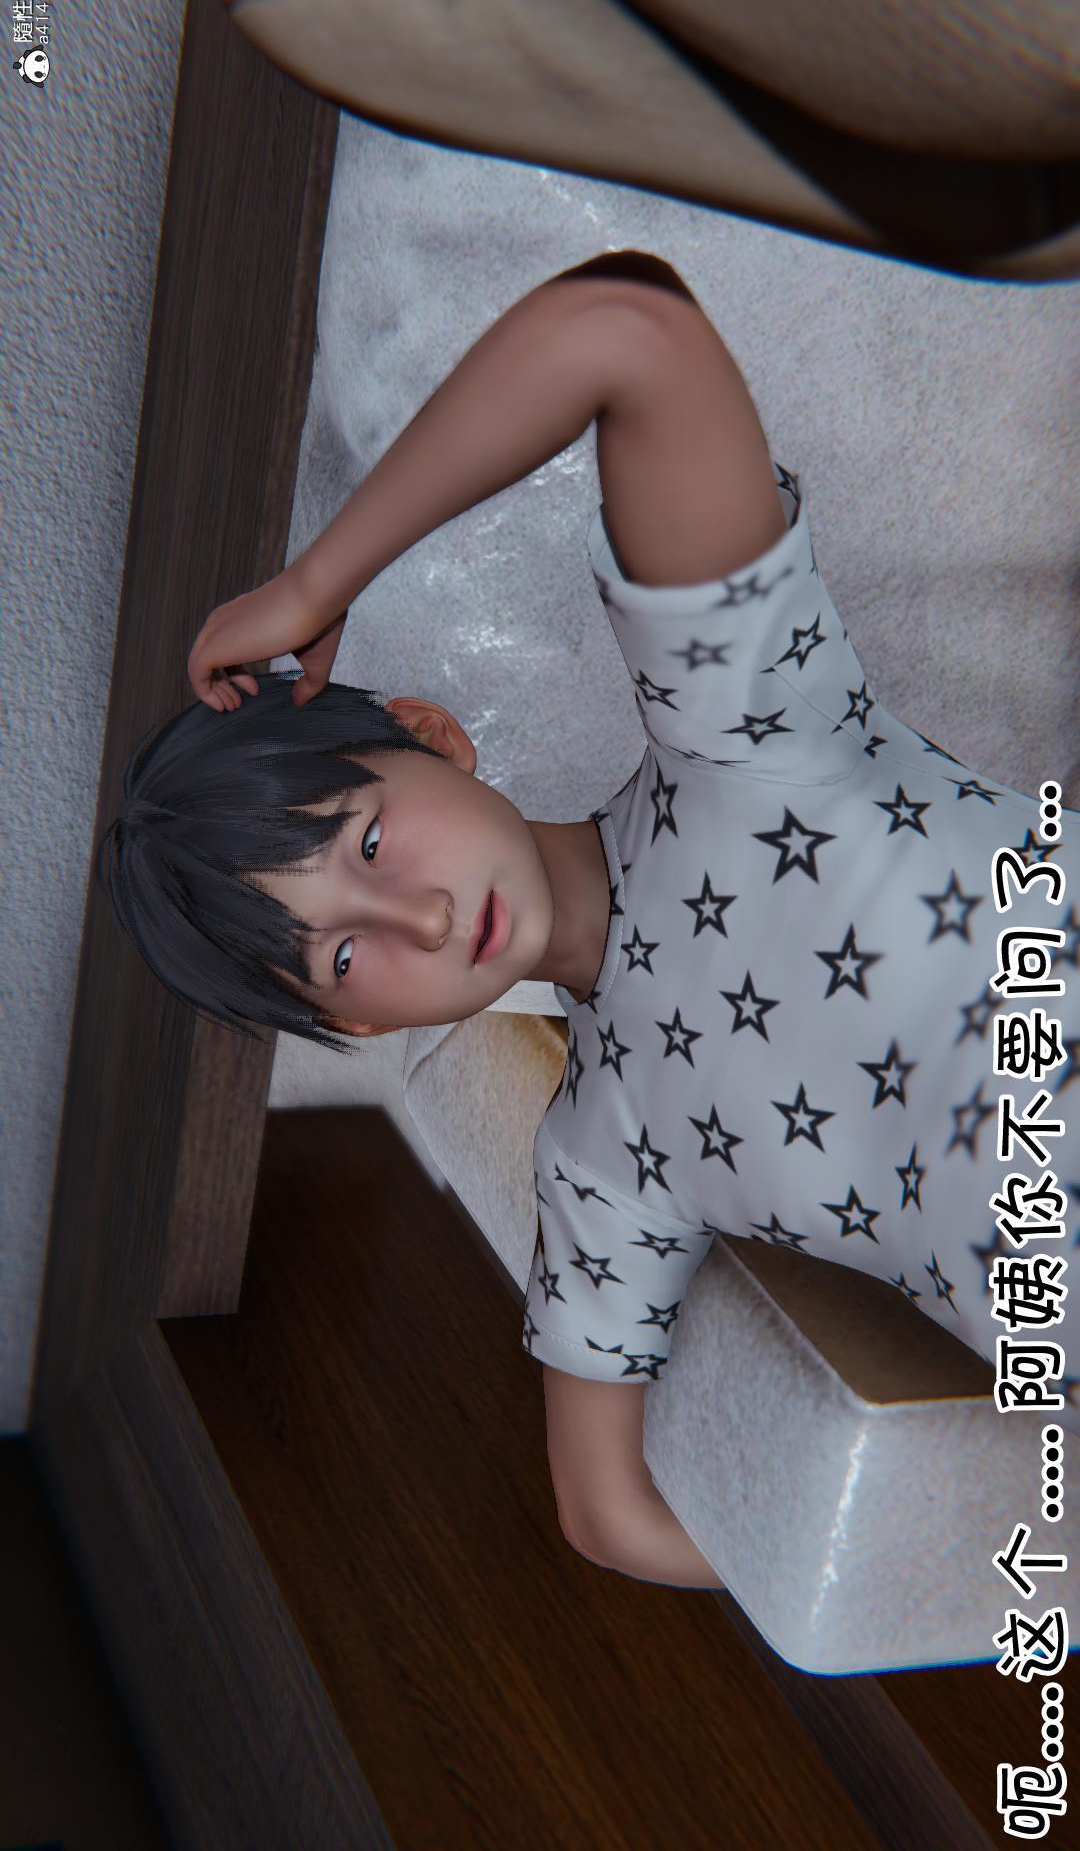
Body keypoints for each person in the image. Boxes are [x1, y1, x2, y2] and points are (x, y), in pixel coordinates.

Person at [99, 251, 1080, 1588]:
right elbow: (605, 1519)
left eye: (370, 841)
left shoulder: (742, 736)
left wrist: (318, 583)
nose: (422, 916)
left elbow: (624, 329)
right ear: (355, 1022)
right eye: (344, 952)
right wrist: (955, 1573)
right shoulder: (603, 1165)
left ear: (429, 733)